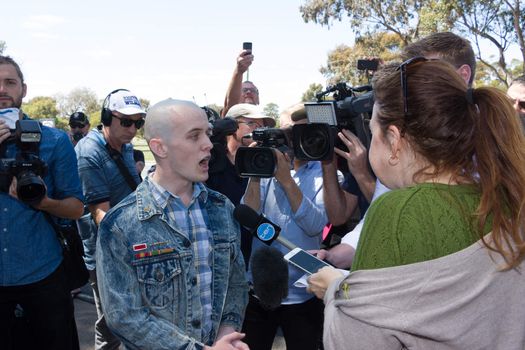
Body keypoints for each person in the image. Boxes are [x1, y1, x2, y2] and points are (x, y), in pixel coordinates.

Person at [307, 59, 525, 349]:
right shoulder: (507, 198)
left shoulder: (398, 211)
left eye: (373, 133)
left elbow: (361, 336)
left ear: (394, 141)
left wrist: (337, 289)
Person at [96, 99, 249, 349]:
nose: (209, 145)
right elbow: (125, 318)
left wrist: (226, 334)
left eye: (208, 134)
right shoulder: (120, 224)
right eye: (194, 136)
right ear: (160, 147)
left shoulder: (222, 209)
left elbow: (235, 284)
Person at [317, 31, 477, 269]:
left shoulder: (497, 141)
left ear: (463, 76)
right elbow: (376, 219)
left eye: (427, 75)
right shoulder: (394, 191)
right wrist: (338, 254)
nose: (413, 86)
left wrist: (334, 289)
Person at [0, 55, 84, 349]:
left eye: (9, 82)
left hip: (43, 275)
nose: (2, 90)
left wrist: (44, 202)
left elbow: (76, 207)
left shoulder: (55, 140)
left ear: (23, 89)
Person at [241, 110, 340, 350]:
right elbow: (247, 218)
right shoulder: (266, 170)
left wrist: (287, 180)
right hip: (260, 290)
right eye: (291, 133)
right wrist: (255, 169)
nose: (299, 140)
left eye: (307, 134)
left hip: (304, 292)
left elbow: (316, 226)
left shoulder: (326, 175)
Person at [75, 88, 145, 350]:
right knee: (111, 325)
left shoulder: (125, 146)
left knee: (136, 319)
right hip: (106, 253)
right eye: (126, 121)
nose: (132, 129)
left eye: (138, 122)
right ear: (106, 117)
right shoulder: (89, 151)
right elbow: (99, 214)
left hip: (132, 244)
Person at [206, 103, 275, 266]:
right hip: (215, 255)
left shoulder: (265, 163)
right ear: (230, 126)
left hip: (249, 257)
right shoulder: (210, 161)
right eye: (251, 123)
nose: (257, 130)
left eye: (261, 126)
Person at [221, 48, 259, 116]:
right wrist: (239, 71)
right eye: (244, 90)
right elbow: (230, 105)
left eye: (253, 90)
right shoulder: (230, 120)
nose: (248, 92)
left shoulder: (265, 121)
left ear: (258, 100)